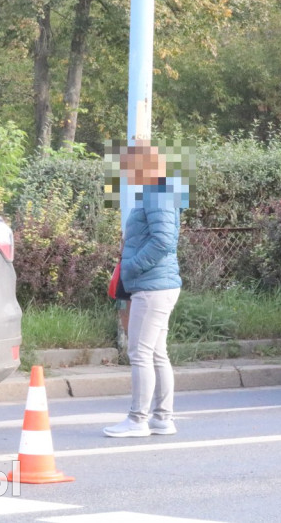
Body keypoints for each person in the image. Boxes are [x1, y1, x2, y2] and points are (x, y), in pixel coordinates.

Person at [104, 142, 188, 438]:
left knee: (139, 352)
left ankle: (137, 419)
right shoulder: (160, 190)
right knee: (155, 353)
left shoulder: (158, 192)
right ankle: (162, 419)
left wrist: (132, 267)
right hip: (157, 284)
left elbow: (164, 241)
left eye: (129, 168)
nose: (126, 174)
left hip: (152, 286)